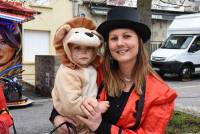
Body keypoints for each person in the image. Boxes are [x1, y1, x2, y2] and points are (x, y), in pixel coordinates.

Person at [50, 6, 177, 134]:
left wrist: (101, 127)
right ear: (108, 45)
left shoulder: (161, 94)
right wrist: (56, 117)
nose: (120, 43)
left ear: (139, 41)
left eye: (127, 36)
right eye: (114, 38)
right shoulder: (96, 71)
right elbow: (67, 96)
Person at [51, 17, 109, 134]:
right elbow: (69, 103)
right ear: (68, 49)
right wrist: (96, 106)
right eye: (77, 48)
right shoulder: (68, 71)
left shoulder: (91, 67)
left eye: (89, 48)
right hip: (75, 121)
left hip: (86, 121)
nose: (84, 52)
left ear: (95, 50)